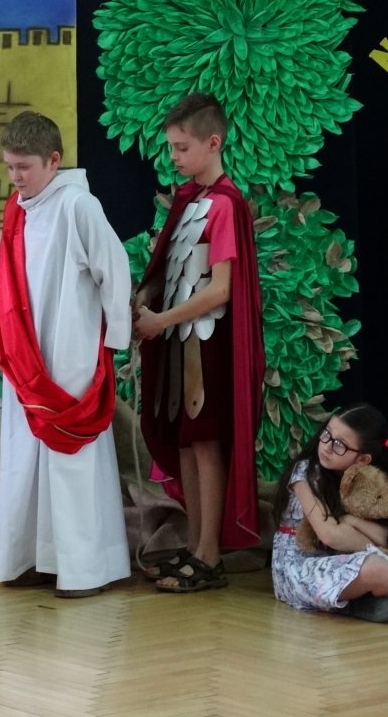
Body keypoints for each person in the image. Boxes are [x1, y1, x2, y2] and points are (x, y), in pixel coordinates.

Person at [0, 110, 133, 598]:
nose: (16, 178)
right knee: (24, 455)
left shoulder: (78, 206)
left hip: (70, 350)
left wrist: (114, 341)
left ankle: (84, 569)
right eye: (10, 167)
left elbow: (113, 269)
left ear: (53, 160)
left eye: (24, 167)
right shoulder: (19, 209)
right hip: (25, 356)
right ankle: (31, 557)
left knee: (71, 457)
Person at [133, 93, 265, 592]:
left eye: (182, 147)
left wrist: (160, 320)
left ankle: (209, 555)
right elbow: (168, 270)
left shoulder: (226, 205)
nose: (174, 156)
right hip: (178, 342)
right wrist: (145, 297)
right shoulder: (188, 200)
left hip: (206, 346)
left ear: (213, 143)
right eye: (171, 147)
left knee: (206, 445)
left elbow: (220, 289)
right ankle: (193, 546)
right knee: (187, 444)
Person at [272, 403, 388, 622]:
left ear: (362, 460)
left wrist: (351, 521)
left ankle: (356, 603)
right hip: (297, 569)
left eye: (339, 444)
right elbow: (330, 535)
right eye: (327, 434)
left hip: (337, 562)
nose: (326, 446)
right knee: (377, 567)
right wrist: (378, 553)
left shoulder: (359, 481)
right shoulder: (305, 472)